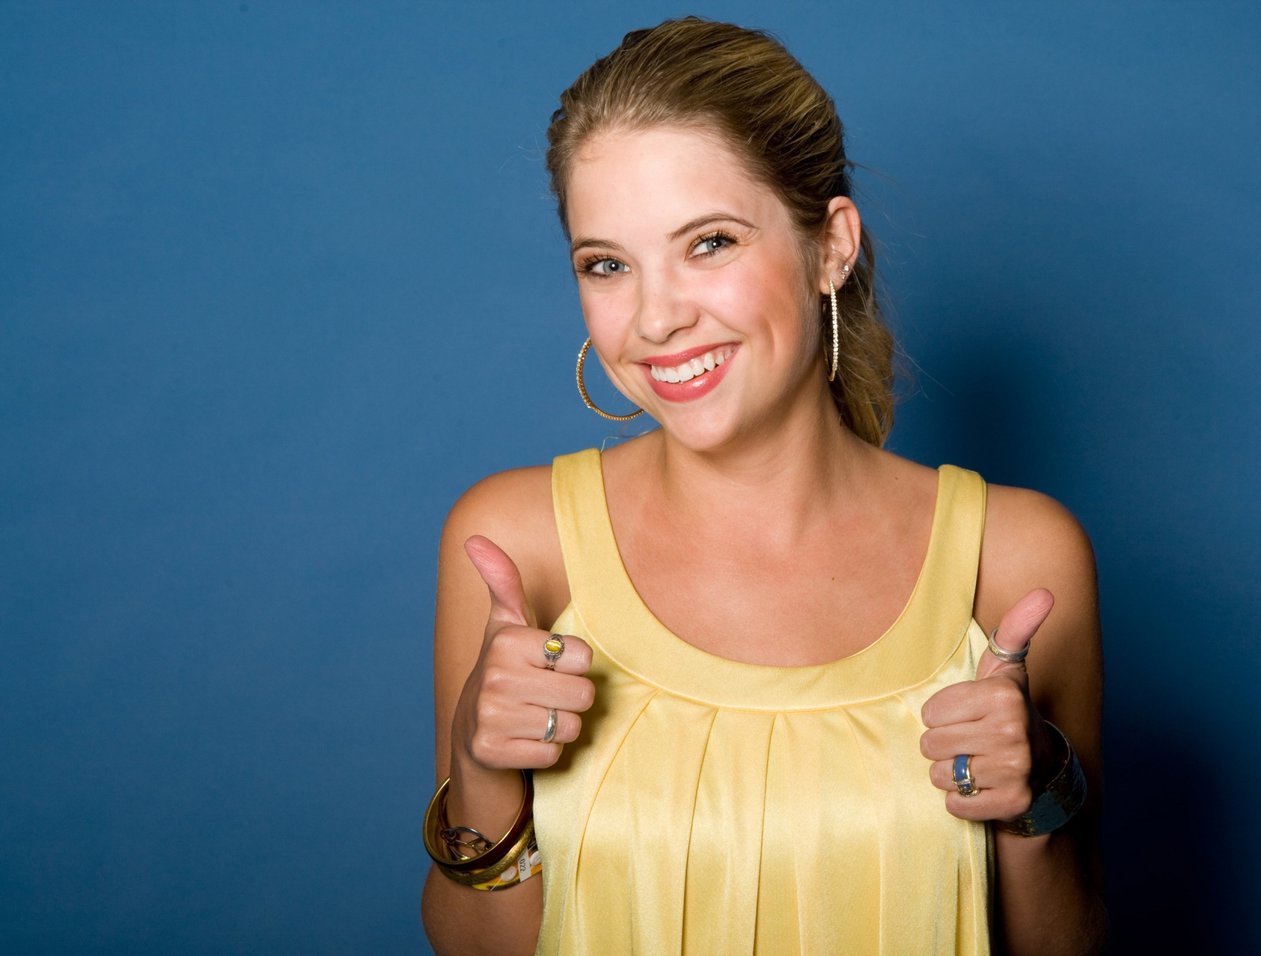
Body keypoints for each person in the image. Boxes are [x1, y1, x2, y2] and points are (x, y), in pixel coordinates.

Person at [421, 17, 1104, 955]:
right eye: (607, 264)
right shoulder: (516, 548)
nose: (657, 317)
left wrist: (1032, 805)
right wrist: (480, 768)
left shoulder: (1016, 562)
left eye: (709, 243)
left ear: (830, 247)